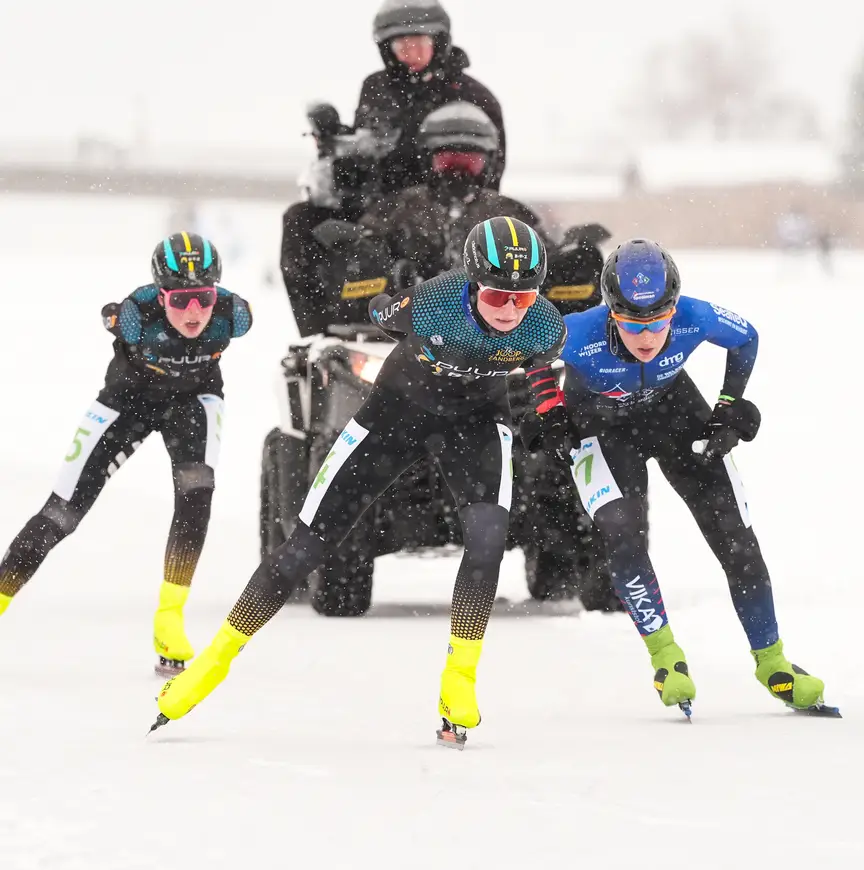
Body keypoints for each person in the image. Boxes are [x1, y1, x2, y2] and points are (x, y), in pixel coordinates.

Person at [151, 216, 569, 749]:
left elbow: (534, 362)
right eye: (495, 295)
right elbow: (376, 312)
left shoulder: (546, 323)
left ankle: (458, 680)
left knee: (487, 542)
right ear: (470, 283)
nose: (510, 309)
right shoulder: (430, 303)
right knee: (306, 545)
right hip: (395, 416)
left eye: (522, 296)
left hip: (475, 426)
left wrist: (551, 406)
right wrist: (367, 284)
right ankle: (211, 665)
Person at [538, 238, 836, 717]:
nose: (648, 336)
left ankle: (773, 662)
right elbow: (533, 351)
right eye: (633, 323)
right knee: (622, 534)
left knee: (735, 537)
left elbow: (747, 337)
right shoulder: (577, 330)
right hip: (600, 427)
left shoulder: (695, 316)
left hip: (674, 415)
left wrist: (728, 406)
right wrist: (551, 410)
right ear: (611, 311)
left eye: (659, 322)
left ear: (674, 308)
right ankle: (666, 656)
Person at [0, 233, 253, 677]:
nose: (194, 312)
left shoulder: (235, 314)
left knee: (197, 493)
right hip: (126, 402)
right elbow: (109, 313)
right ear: (160, 294)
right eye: (180, 300)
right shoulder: (136, 314)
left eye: (203, 297)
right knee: (62, 513)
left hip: (193, 402)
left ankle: (169, 617)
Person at [357, 0, 506, 194]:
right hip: (382, 209)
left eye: (419, 45)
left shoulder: (475, 97)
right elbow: (363, 147)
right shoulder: (376, 88)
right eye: (401, 47)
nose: (411, 54)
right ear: (388, 50)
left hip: (444, 208)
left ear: (438, 43)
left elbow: (491, 170)